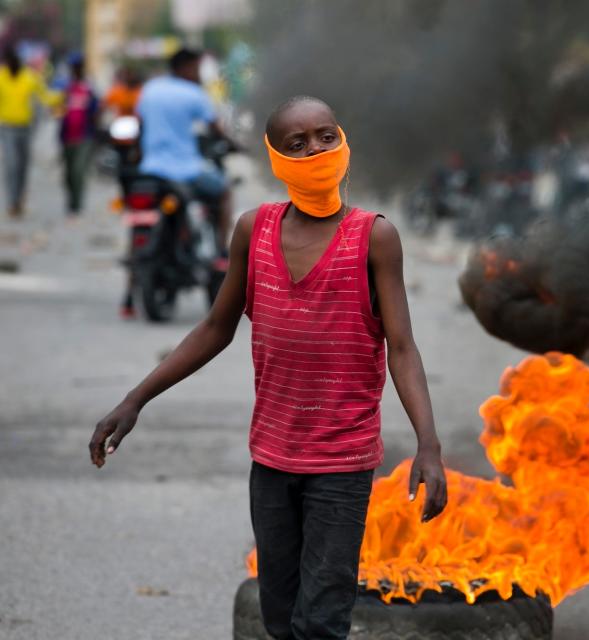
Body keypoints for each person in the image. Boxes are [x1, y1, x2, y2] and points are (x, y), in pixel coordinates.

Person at [89, 96, 448, 639]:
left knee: (322, 622)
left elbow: (402, 347)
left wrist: (429, 443)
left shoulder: (374, 237)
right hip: (273, 460)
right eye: (296, 143)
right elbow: (215, 329)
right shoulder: (253, 231)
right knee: (278, 618)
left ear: (343, 141)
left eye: (325, 135)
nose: (315, 150)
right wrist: (134, 400)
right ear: (276, 159)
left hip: (341, 463)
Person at [136, 48, 234, 246]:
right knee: (224, 191)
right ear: (185, 68)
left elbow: (140, 123)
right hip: (184, 169)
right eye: (196, 69)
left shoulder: (150, 89)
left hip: (150, 168)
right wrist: (235, 144)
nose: (199, 75)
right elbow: (216, 128)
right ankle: (222, 250)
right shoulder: (193, 93)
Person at [0, 45, 60, 217]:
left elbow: (45, 95)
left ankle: (19, 199)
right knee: (11, 165)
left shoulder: (29, 77)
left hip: (25, 128)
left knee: (22, 166)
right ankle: (12, 201)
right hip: (6, 127)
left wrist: (61, 97)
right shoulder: (1, 78)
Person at [59, 53, 99, 215]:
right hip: (67, 136)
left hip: (84, 136)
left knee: (78, 171)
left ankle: (78, 204)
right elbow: (58, 109)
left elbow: (96, 110)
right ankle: (70, 201)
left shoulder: (89, 88)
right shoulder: (65, 87)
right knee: (68, 174)